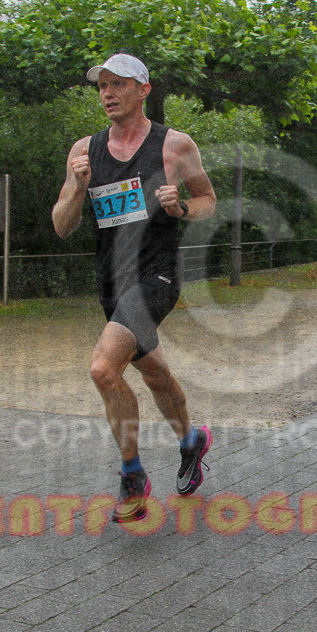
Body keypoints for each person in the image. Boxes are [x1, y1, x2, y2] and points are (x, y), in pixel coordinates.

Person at [52, 54, 217, 522]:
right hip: (112, 282)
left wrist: (181, 207)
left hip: (157, 276)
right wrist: (76, 186)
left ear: (143, 90)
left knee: (104, 370)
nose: (107, 93)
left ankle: (132, 477)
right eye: (102, 86)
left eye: (118, 84)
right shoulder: (84, 150)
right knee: (155, 374)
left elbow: (207, 201)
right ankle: (191, 441)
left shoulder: (174, 146)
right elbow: (62, 227)